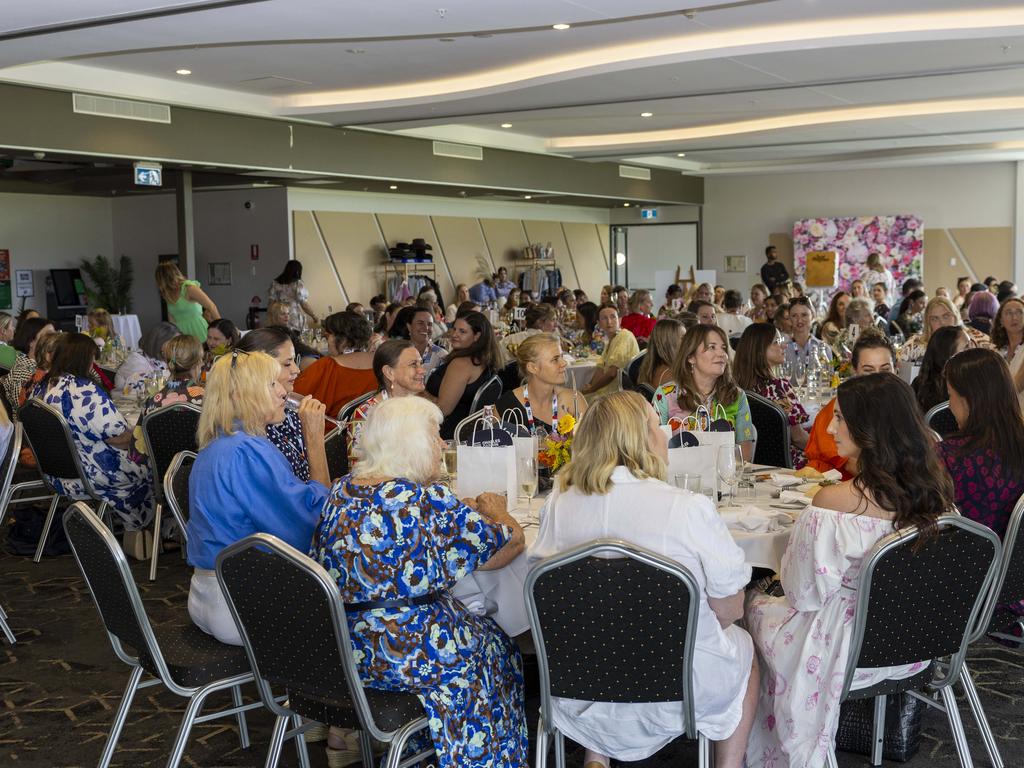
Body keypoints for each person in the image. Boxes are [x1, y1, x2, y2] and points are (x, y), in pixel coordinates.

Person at [528, 391, 758, 768]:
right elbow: (730, 608)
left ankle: (595, 757)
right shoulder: (687, 507)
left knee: (601, 629)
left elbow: (547, 602)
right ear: (638, 438)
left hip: (579, 688)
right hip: (675, 688)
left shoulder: (558, 504)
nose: (665, 432)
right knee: (744, 647)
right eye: (656, 424)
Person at [310, 396, 527, 766]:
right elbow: (507, 545)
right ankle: (480, 756)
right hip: (404, 656)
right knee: (497, 644)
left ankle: (423, 752)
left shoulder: (342, 491)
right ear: (413, 443)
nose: (442, 444)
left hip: (343, 650)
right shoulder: (423, 500)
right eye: (436, 435)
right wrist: (500, 512)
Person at [746, 372, 946, 768]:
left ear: (869, 429)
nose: (831, 428)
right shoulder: (938, 497)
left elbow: (802, 593)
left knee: (744, 608)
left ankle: (742, 750)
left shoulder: (834, 504)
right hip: (919, 640)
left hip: (845, 649)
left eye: (839, 419)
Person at [187, 350, 329, 645]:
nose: (283, 391)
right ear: (242, 395)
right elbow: (312, 523)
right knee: (357, 607)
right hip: (239, 604)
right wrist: (314, 438)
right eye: (271, 385)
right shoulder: (247, 451)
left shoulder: (217, 445)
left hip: (208, 594)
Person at [33, 333, 154, 535]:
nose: (94, 363)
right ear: (83, 359)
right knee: (155, 464)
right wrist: (143, 429)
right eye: (92, 357)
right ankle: (146, 527)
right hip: (92, 474)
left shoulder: (45, 385)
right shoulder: (84, 391)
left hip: (57, 473)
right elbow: (119, 439)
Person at [939, 348, 1024, 540]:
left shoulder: (949, 457)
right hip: (1016, 566)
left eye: (950, 395)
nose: (950, 405)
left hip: (970, 566)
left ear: (969, 400)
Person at [236, 327, 328, 481]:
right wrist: (315, 440)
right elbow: (310, 502)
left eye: (294, 361)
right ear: (258, 370)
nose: (297, 370)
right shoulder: (252, 432)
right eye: (287, 364)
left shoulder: (290, 410)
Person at [651, 324, 755, 459]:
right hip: (680, 477)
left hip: (724, 476)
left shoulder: (736, 396)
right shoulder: (666, 395)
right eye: (712, 347)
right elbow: (653, 449)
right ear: (690, 357)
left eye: (724, 348)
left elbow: (745, 456)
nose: (721, 354)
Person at [803, 330, 894, 478]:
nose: (878, 378)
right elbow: (853, 466)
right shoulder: (840, 410)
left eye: (885, 369)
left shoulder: (901, 406)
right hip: (835, 483)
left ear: (896, 369)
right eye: (868, 370)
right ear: (855, 371)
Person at [734, 324, 809, 468]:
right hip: (791, 466)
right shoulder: (778, 388)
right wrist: (828, 451)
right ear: (760, 351)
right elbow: (798, 438)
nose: (784, 346)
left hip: (755, 464)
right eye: (776, 342)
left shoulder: (735, 388)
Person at [346, 339, 426, 462]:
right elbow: (358, 470)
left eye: (421, 363)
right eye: (413, 364)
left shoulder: (420, 406)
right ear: (389, 372)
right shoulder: (366, 415)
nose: (422, 370)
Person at [425, 311, 502, 439]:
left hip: (447, 434)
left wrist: (419, 392)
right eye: (454, 329)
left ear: (477, 336)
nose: (454, 334)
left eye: (462, 331)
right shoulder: (483, 361)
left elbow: (443, 409)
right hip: (470, 434)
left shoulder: (462, 364)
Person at [130, 334, 206, 459]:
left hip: (161, 475)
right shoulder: (208, 400)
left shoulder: (152, 401)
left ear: (167, 362)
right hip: (200, 473)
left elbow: (137, 452)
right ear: (198, 362)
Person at [495, 333, 587, 433]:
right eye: (555, 359)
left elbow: (594, 444)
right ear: (533, 368)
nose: (564, 363)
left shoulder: (574, 400)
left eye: (562, 356)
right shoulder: (507, 406)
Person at [293, 311, 376, 419]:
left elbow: (295, 399)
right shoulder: (381, 363)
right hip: (368, 428)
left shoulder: (327, 367)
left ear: (342, 339)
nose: (327, 341)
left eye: (328, 335)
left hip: (331, 432)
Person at [898, 296, 986, 363]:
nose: (942, 323)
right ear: (928, 323)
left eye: (946, 316)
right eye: (935, 319)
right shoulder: (914, 345)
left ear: (955, 316)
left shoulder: (976, 340)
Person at [580, 304, 640, 401]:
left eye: (613, 317)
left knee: (580, 400)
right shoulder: (610, 341)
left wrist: (591, 389)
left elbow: (612, 373)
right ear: (599, 324)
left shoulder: (625, 336)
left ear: (619, 320)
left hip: (619, 393)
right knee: (578, 395)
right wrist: (590, 385)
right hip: (606, 390)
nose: (609, 322)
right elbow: (601, 369)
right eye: (604, 318)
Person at [1, 316, 55, 415]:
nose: (54, 340)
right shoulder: (25, 372)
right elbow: (27, 413)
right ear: (31, 342)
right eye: (48, 336)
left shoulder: (31, 365)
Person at [155, 262, 220, 343]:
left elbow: (211, 307)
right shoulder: (168, 294)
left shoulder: (189, 288)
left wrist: (221, 330)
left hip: (198, 331)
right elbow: (172, 321)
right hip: (182, 336)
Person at [911, 325, 970, 414]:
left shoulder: (919, 384)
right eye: (966, 347)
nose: (973, 349)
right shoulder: (965, 387)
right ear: (949, 354)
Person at [114, 321, 176, 395]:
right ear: (159, 342)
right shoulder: (136, 360)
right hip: (129, 402)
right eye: (173, 344)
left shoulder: (163, 359)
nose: (177, 347)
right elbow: (144, 391)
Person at [390, 305, 447, 376]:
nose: (426, 328)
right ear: (409, 327)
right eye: (420, 323)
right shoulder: (396, 353)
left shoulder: (442, 356)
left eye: (429, 324)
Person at [268, 259, 318, 331]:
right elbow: (304, 305)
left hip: (280, 315)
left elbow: (271, 303)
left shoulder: (275, 283)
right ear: (298, 271)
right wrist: (314, 316)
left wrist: (271, 318)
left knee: (282, 337)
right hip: (294, 316)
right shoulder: (298, 284)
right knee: (296, 338)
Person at [783, 297, 833, 368]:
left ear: (812, 316)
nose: (799, 320)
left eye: (804, 315)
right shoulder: (783, 349)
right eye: (794, 316)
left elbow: (830, 377)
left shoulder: (824, 349)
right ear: (790, 319)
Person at [636, 318, 684, 391]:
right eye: (683, 338)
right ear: (670, 343)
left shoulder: (651, 367)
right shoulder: (670, 374)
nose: (687, 341)